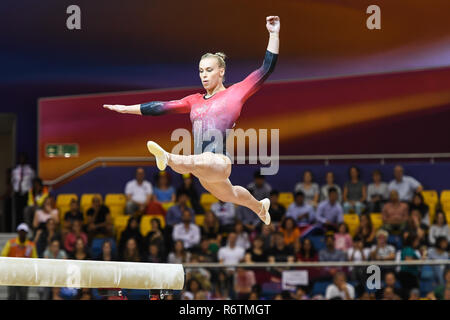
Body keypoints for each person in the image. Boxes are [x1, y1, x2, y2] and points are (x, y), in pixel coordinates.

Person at [104, 16, 280, 227]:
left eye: (209, 70)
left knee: (200, 160)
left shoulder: (236, 93)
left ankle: (167, 157)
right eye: (200, 71)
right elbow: (160, 107)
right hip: (204, 172)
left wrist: (274, 34)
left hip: (219, 162)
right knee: (229, 194)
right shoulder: (193, 100)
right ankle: (259, 207)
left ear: (221, 72)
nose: (203, 76)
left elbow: (265, 69)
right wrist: (126, 109)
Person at [1, 223, 37, 300]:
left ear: (27, 233)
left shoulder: (31, 245)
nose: (22, 233)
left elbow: (35, 259)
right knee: (12, 295)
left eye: (24, 232)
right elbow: (3, 256)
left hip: (25, 274)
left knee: (23, 296)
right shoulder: (11, 243)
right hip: (12, 273)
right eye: (21, 231)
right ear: (18, 232)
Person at [11, 153, 35, 228]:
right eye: (20, 158)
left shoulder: (30, 170)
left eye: (23, 158)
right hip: (17, 193)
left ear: (26, 160)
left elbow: (33, 181)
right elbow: (13, 181)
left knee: (25, 211)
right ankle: (17, 227)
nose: (22, 160)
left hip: (26, 193)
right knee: (17, 211)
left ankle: (25, 227)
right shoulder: (15, 170)